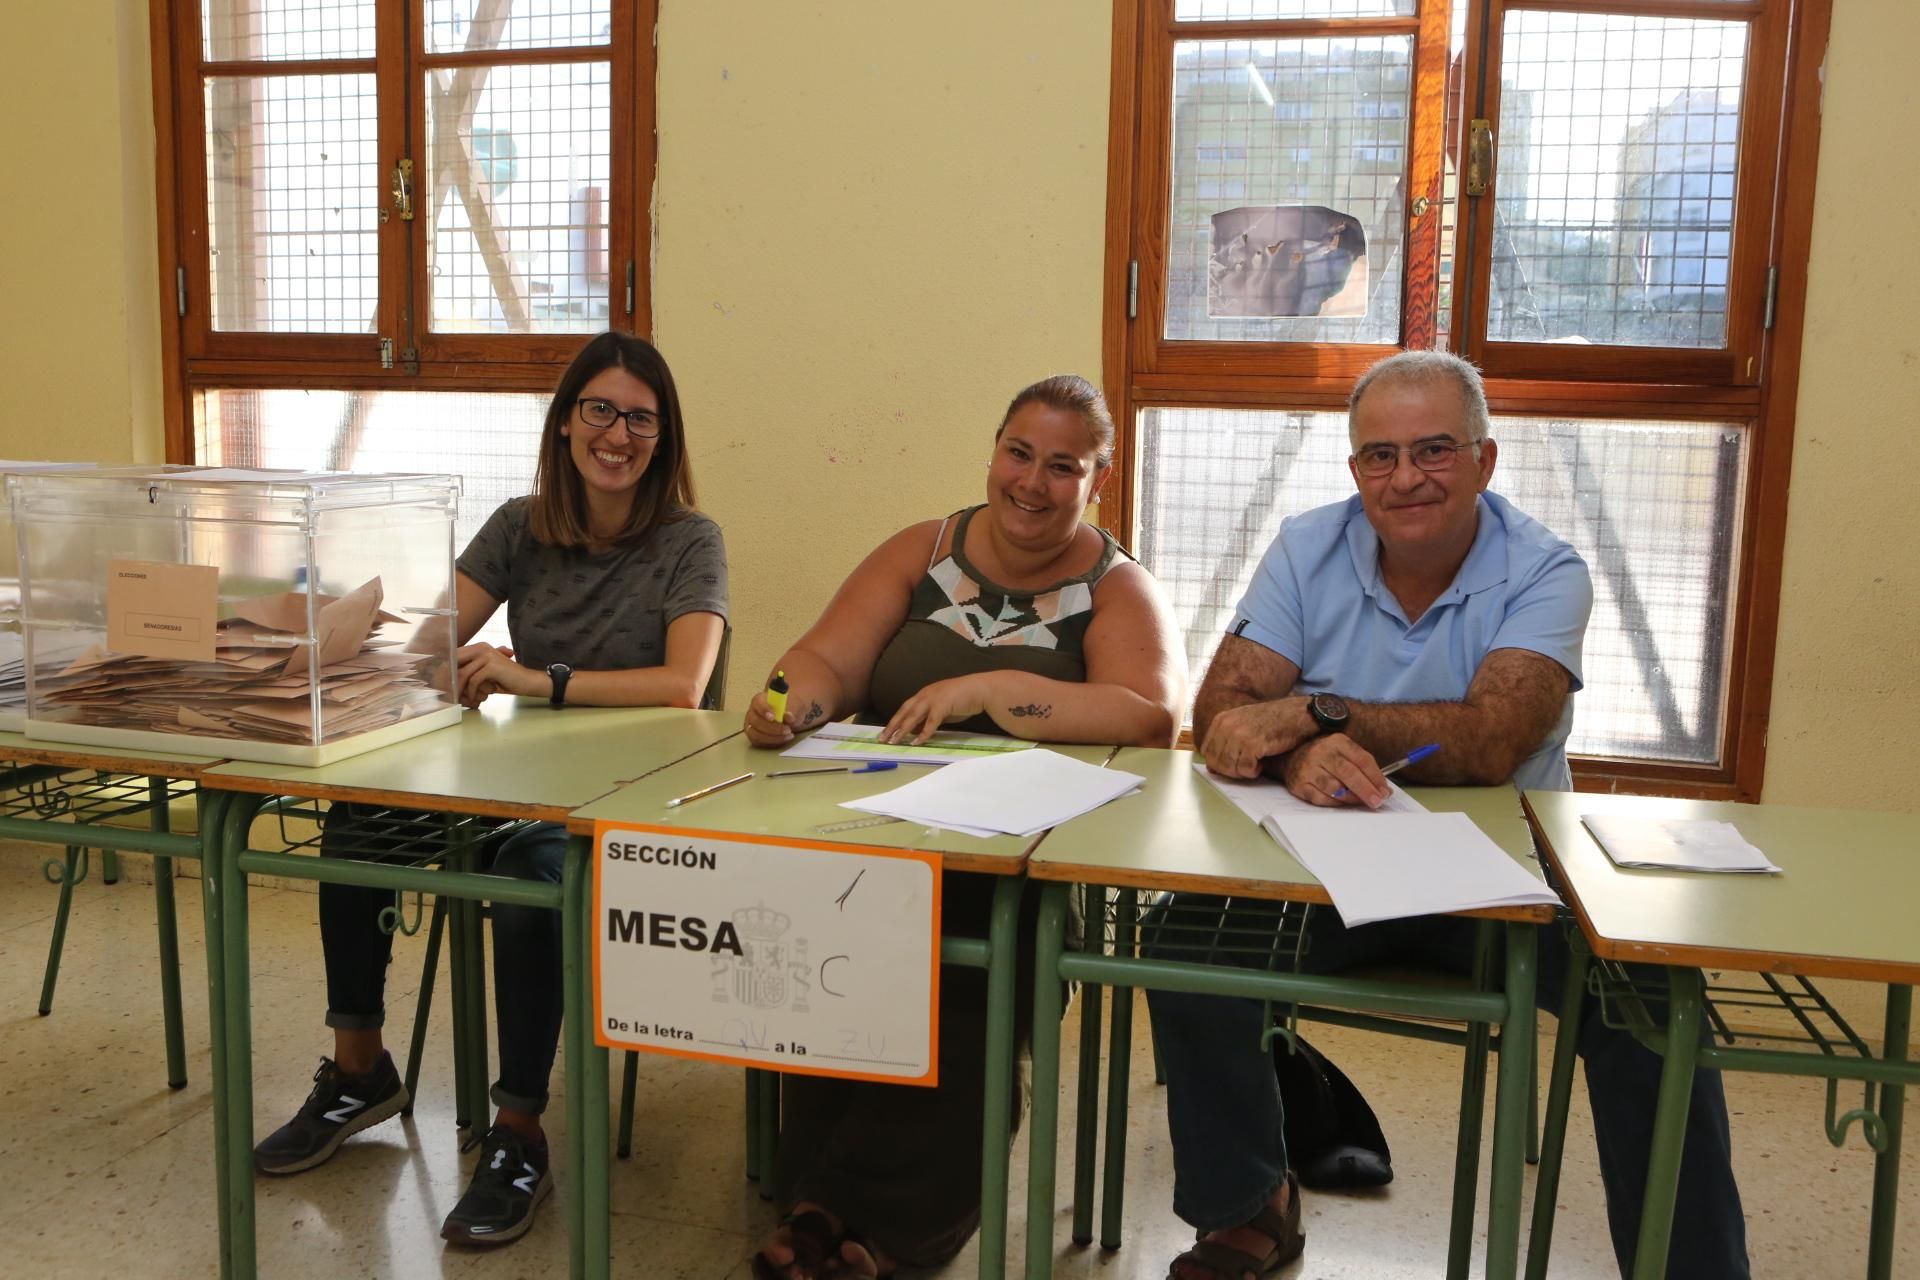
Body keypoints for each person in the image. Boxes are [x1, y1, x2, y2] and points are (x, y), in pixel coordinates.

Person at [1147, 350, 1749, 1279]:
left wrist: (1318, 711)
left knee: (1653, 1006)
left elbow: (1492, 741)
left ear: (1484, 461)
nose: (1406, 478)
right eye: (1379, 456)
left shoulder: (1547, 569)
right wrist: (1303, 748)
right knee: (1182, 941)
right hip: (1326, 873)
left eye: (1433, 450)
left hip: (1505, 883)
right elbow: (1222, 716)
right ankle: (1247, 1210)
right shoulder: (1309, 546)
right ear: (1355, 473)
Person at [251, 331, 729, 1248]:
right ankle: (360, 1070)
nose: (618, 434)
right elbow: (434, 644)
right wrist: (346, 633)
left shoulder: (689, 541)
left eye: (641, 418)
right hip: (507, 782)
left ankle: (517, 1132)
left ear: (663, 439)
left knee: (525, 894)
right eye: (600, 410)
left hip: (623, 795)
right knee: (358, 829)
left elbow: (685, 686)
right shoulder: (520, 524)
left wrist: (535, 678)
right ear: (564, 424)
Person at [741, 374, 1186, 1279]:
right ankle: (824, 1207)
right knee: (833, 950)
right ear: (993, 452)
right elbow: (825, 659)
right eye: (1018, 453)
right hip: (885, 838)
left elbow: (1148, 717)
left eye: (1063, 466)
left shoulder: (1116, 585)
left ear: (1095, 480)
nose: (1031, 481)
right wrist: (790, 705)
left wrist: (987, 689)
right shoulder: (923, 549)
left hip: (1023, 874)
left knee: (959, 980)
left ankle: (882, 1230)